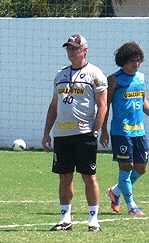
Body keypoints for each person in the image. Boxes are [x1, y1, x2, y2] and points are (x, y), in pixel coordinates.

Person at [42, 34, 108, 232]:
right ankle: (65, 219)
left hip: (84, 133)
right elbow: (54, 106)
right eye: (68, 48)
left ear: (84, 50)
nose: (71, 51)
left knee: (89, 177)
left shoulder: (95, 74)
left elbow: (103, 106)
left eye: (75, 48)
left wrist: (95, 132)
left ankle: (93, 219)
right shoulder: (60, 75)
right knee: (65, 177)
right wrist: (47, 133)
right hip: (62, 135)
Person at [101, 42, 149, 217]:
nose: (136, 64)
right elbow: (105, 105)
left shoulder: (141, 78)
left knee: (141, 168)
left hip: (139, 131)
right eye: (132, 61)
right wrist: (104, 129)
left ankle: (115, 191)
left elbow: (143, 100)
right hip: (121, 131)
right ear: (123, 62)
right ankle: (132, 206)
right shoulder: (114, 79)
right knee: (127, 166)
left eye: (138, 60)